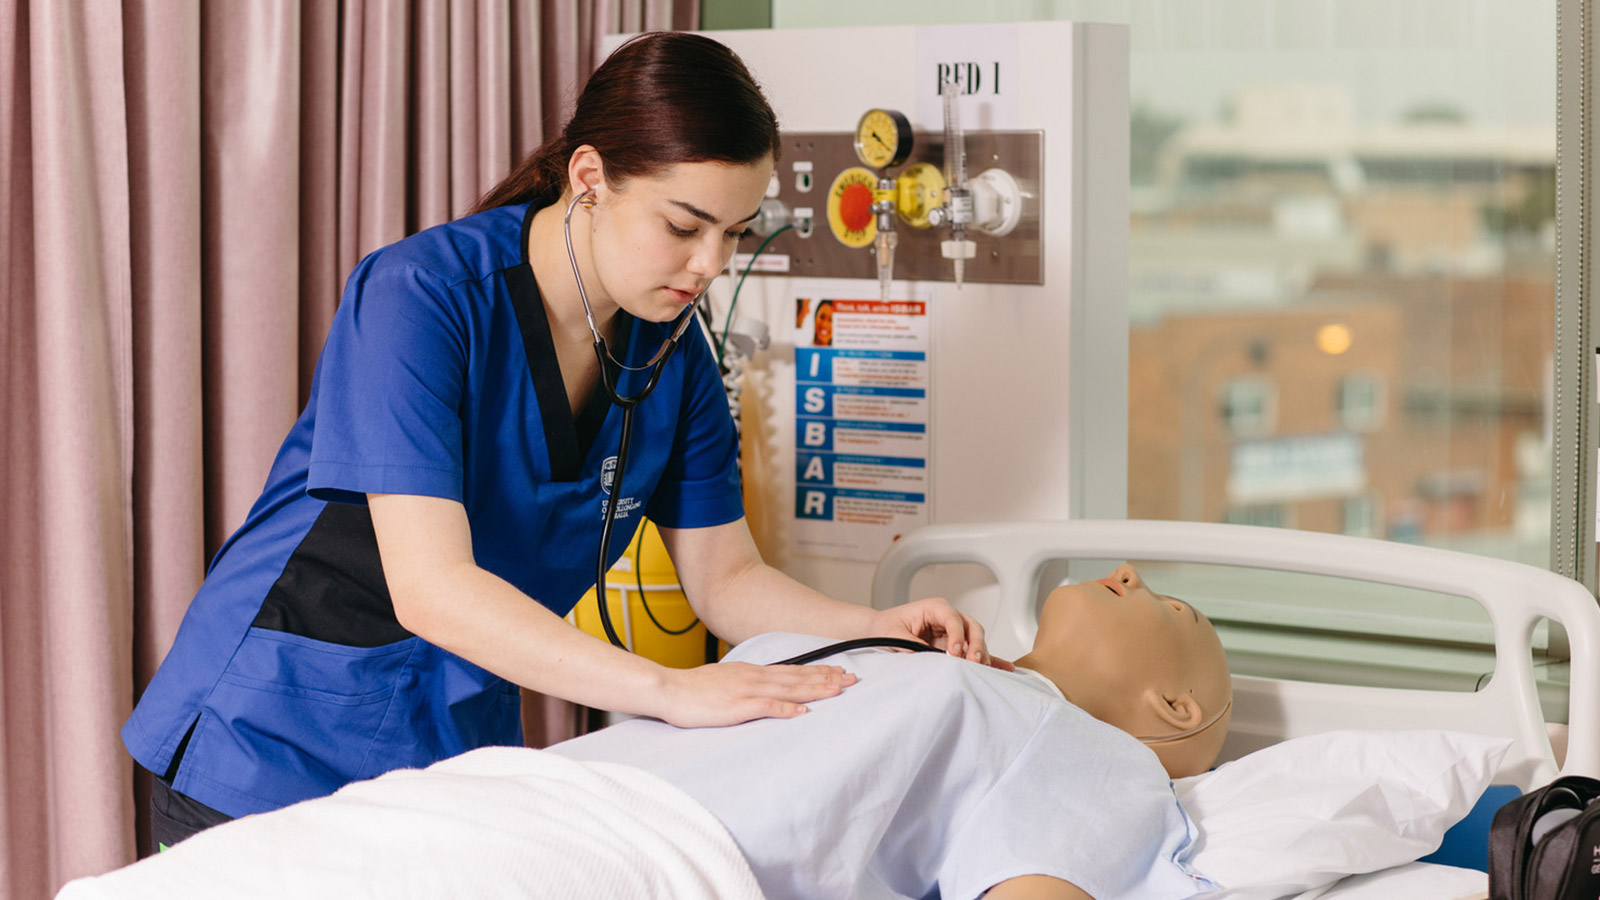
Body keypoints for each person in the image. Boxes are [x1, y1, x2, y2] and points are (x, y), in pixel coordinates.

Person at [121, 31, 994, 853]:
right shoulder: (421, 297)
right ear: (589, 177)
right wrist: (672, 691)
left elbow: (726, 581)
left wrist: (875, 629)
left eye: (733, 233)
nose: (709, 267)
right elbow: (432, 590)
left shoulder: (671, 351)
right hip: (270, 734)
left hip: (449, 739)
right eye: (684, 226)